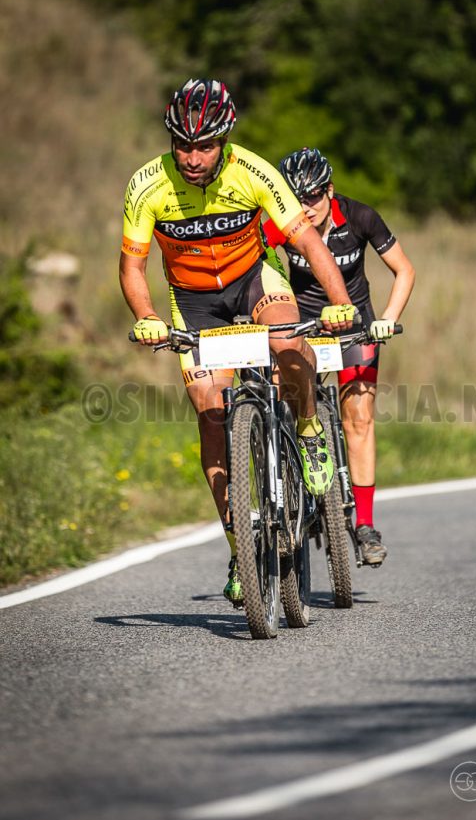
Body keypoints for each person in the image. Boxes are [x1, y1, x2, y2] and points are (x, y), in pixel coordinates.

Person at [119, 80, 357, 604]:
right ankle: (239, 547)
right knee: (210, 411)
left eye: (204, 146)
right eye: (183, 145)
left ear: (224, 140)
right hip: (192, 300)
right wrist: (147, 316)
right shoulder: (146, 185)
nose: (192, 157)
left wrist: (340, 303)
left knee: (288, 344)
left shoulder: (252, 171)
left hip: (253, 281)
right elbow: (133, 266)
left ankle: (309, 428)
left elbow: (307, 240)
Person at [263, 148, 415, 565]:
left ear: (329, 190)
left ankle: (364, 526)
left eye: (313, 196)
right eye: (296, 198)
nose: (305, 206)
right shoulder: (282, 223)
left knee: (359, 419)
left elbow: (404, 270)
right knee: (280, 398)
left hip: (354, 324)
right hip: (303, 325)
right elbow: (256, 266)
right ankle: (288, 488)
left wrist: (387, 319)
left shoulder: (361, 216)